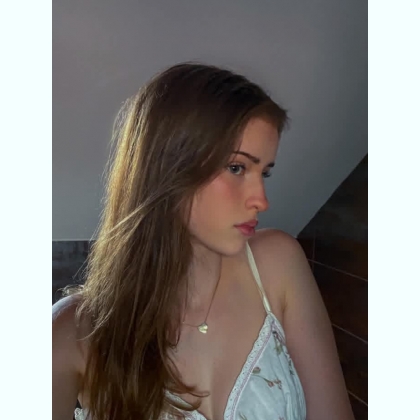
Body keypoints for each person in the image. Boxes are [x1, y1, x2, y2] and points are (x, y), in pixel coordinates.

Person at [52, 62, 354, 420]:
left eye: (264, 172)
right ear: (169, 167)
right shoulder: (73, 333)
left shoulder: (278, 264)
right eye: (237, 168)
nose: (261, 200)